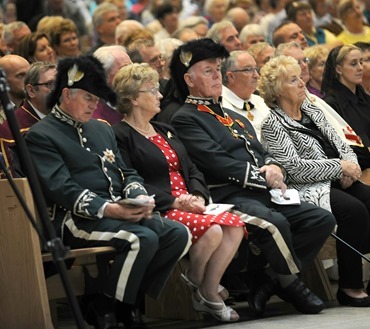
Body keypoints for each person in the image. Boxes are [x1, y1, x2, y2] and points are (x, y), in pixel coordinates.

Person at [169, 38, 336, 316]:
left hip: (262, 194)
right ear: (189, 79)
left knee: (320, 218)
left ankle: (270, 279)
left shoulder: (235, 116)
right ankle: (291, 283)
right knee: (275, 223)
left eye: (218, 69)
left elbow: (260, 153)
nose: (217, 76)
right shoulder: (185, 118)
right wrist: (264, 178)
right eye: (208, 71)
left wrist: (274, 168)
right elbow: (218, 163)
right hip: (228, 197)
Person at [24, 55, 192, 329]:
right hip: (75, 220)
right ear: (66, 94)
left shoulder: (101, 129)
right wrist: (110, 208)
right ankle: (119, 308)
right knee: (142, 239)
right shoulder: (41, 135)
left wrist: (139, 197)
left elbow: (127, 173)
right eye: (89, 97)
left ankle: (113, 301)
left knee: (177, 234)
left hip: (117, 210)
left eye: (97, 98)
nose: (95, 104)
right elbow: (61, 189)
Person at [112, 62, 246, 322]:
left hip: (189, 203)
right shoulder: (120, 135)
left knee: (236, 226)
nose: (160, 95)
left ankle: (203, 287)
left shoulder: (165, 129)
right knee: (214, 229)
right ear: (134, 99)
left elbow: (192, 169)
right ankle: (204, 288)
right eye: (152, 90)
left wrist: (197, 195)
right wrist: (175, 201)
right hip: (160, 207)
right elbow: (130, 179)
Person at [259, 54, 370, 307]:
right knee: (354, 212)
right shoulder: (273, 125)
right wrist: (337, 168)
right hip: (310, 188)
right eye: (293, 80)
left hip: (341, 178)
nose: (301, 83)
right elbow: (294, 169)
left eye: (300, 77)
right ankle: (350, 286)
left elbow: (343, 143)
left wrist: (350, 168)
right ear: (277, 91)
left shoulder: (313, 111)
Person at [0, 62, 57, 178]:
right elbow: (17, 185)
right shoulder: (9, 132)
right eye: (50, 84)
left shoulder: (70, 119)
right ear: (31, 91)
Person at [322, 44, 370, 170]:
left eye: (361, 62)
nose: (360, 68)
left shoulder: (366, 98)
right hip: (356, 167)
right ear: (338, 69)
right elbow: (341, 146)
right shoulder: (331, 104)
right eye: (353, 64)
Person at [221, 50, 270, 140]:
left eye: (255, 69)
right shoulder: (220, 107)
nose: (256, 75)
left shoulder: (260, 100)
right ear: (231, 76)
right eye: (248, 70)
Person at [93, 44, 132, 124]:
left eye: (132, 66)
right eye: (125, 69)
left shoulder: (139, 99)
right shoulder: (94, 115)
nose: (132, 73)